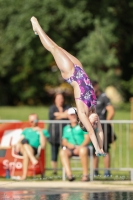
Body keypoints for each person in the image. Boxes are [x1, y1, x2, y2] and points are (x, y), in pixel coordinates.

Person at [30, 16, 106, 157]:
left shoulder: (83, 112)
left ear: (86, 123)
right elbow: (100, 131)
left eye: (93, 124)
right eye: (96, 124)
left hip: (71, 73)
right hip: (79, 69)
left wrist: (97, 149)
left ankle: (37, 26)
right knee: (58, 47)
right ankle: (38, 31)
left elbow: (92, 132)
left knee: (54, 49)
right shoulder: (94, 107)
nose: (96, 123)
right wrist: (102, 147)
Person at [12, 113, 49, 180]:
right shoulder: (26, 130)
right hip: (23, 148)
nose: (33, 122)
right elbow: (20, 140)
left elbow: (43, 145)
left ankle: (24, 176)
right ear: (29, 121)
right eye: (31, 121)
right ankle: (32, 159)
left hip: (35, 149)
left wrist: (40, 132)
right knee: (24, 141)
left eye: (35, 120)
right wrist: (17, 144)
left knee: (26, 151)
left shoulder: (43, 131)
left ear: (38, 120)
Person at [60, 107, 91, 181]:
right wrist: (68, 145)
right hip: (71, 148)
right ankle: (69, 175)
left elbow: (88, 138)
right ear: (68, 116)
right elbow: (64, 141)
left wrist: (80, 147)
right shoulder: (66, 128)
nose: (73, 116)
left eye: (74, 114)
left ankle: (85, 175)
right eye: (71, 115)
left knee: (83, 150)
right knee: (62, 152)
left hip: (82, 147)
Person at [92, 80, 115, 176]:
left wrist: (106, 121)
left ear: (97, 86)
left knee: (105, 148)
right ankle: (95, 171)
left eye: (94, 86)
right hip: (93, 125)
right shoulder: (90, 98)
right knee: (94, 149)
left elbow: (111, 111)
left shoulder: (104, 97)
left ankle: (107, 171)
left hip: (103, 126)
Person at [48, 93, 70, 175]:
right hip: (54, 134)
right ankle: (54, 171)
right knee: (54, 152)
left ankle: (66, 171)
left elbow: (70, 115)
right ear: (55, 100)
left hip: (65, 134)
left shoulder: (67, 107)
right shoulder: (52, 108)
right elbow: (51, 117)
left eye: (61, 98)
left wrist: (58, 115)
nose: (60, 100)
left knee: (64, 151)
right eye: (58, 98)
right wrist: (64, 115)